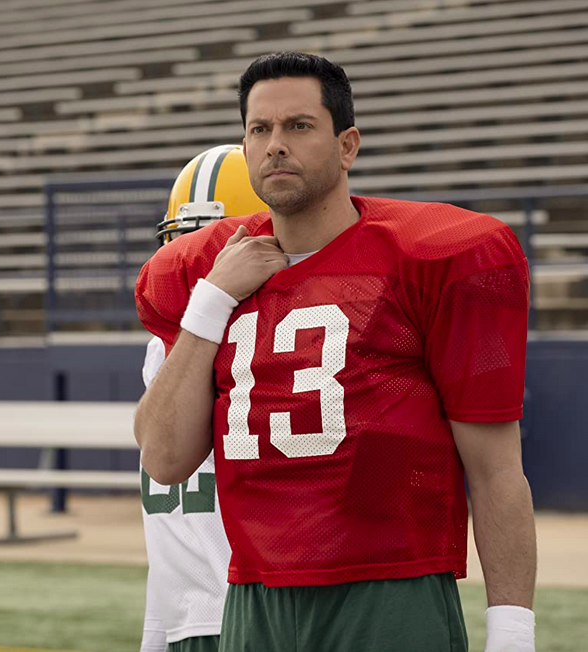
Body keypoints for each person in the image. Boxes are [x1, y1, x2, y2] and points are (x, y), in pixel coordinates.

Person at [134, 52, 536, 652]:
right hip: (251, 595)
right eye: (260, 129)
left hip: (391, 589)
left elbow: (497, 470)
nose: (276, 145)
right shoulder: (203, 272)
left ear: (347, 146)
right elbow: (165, 462)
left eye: (299, 126)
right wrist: (212, 299)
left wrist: (512, 634)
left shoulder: (431, 259)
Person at [140, 145, 267, 652]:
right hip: (194, 614)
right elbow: (168, 527)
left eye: (207, 244)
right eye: (180, 241)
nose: (188, 262)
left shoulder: (278, 335)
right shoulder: (163, 344)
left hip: (260, 610)